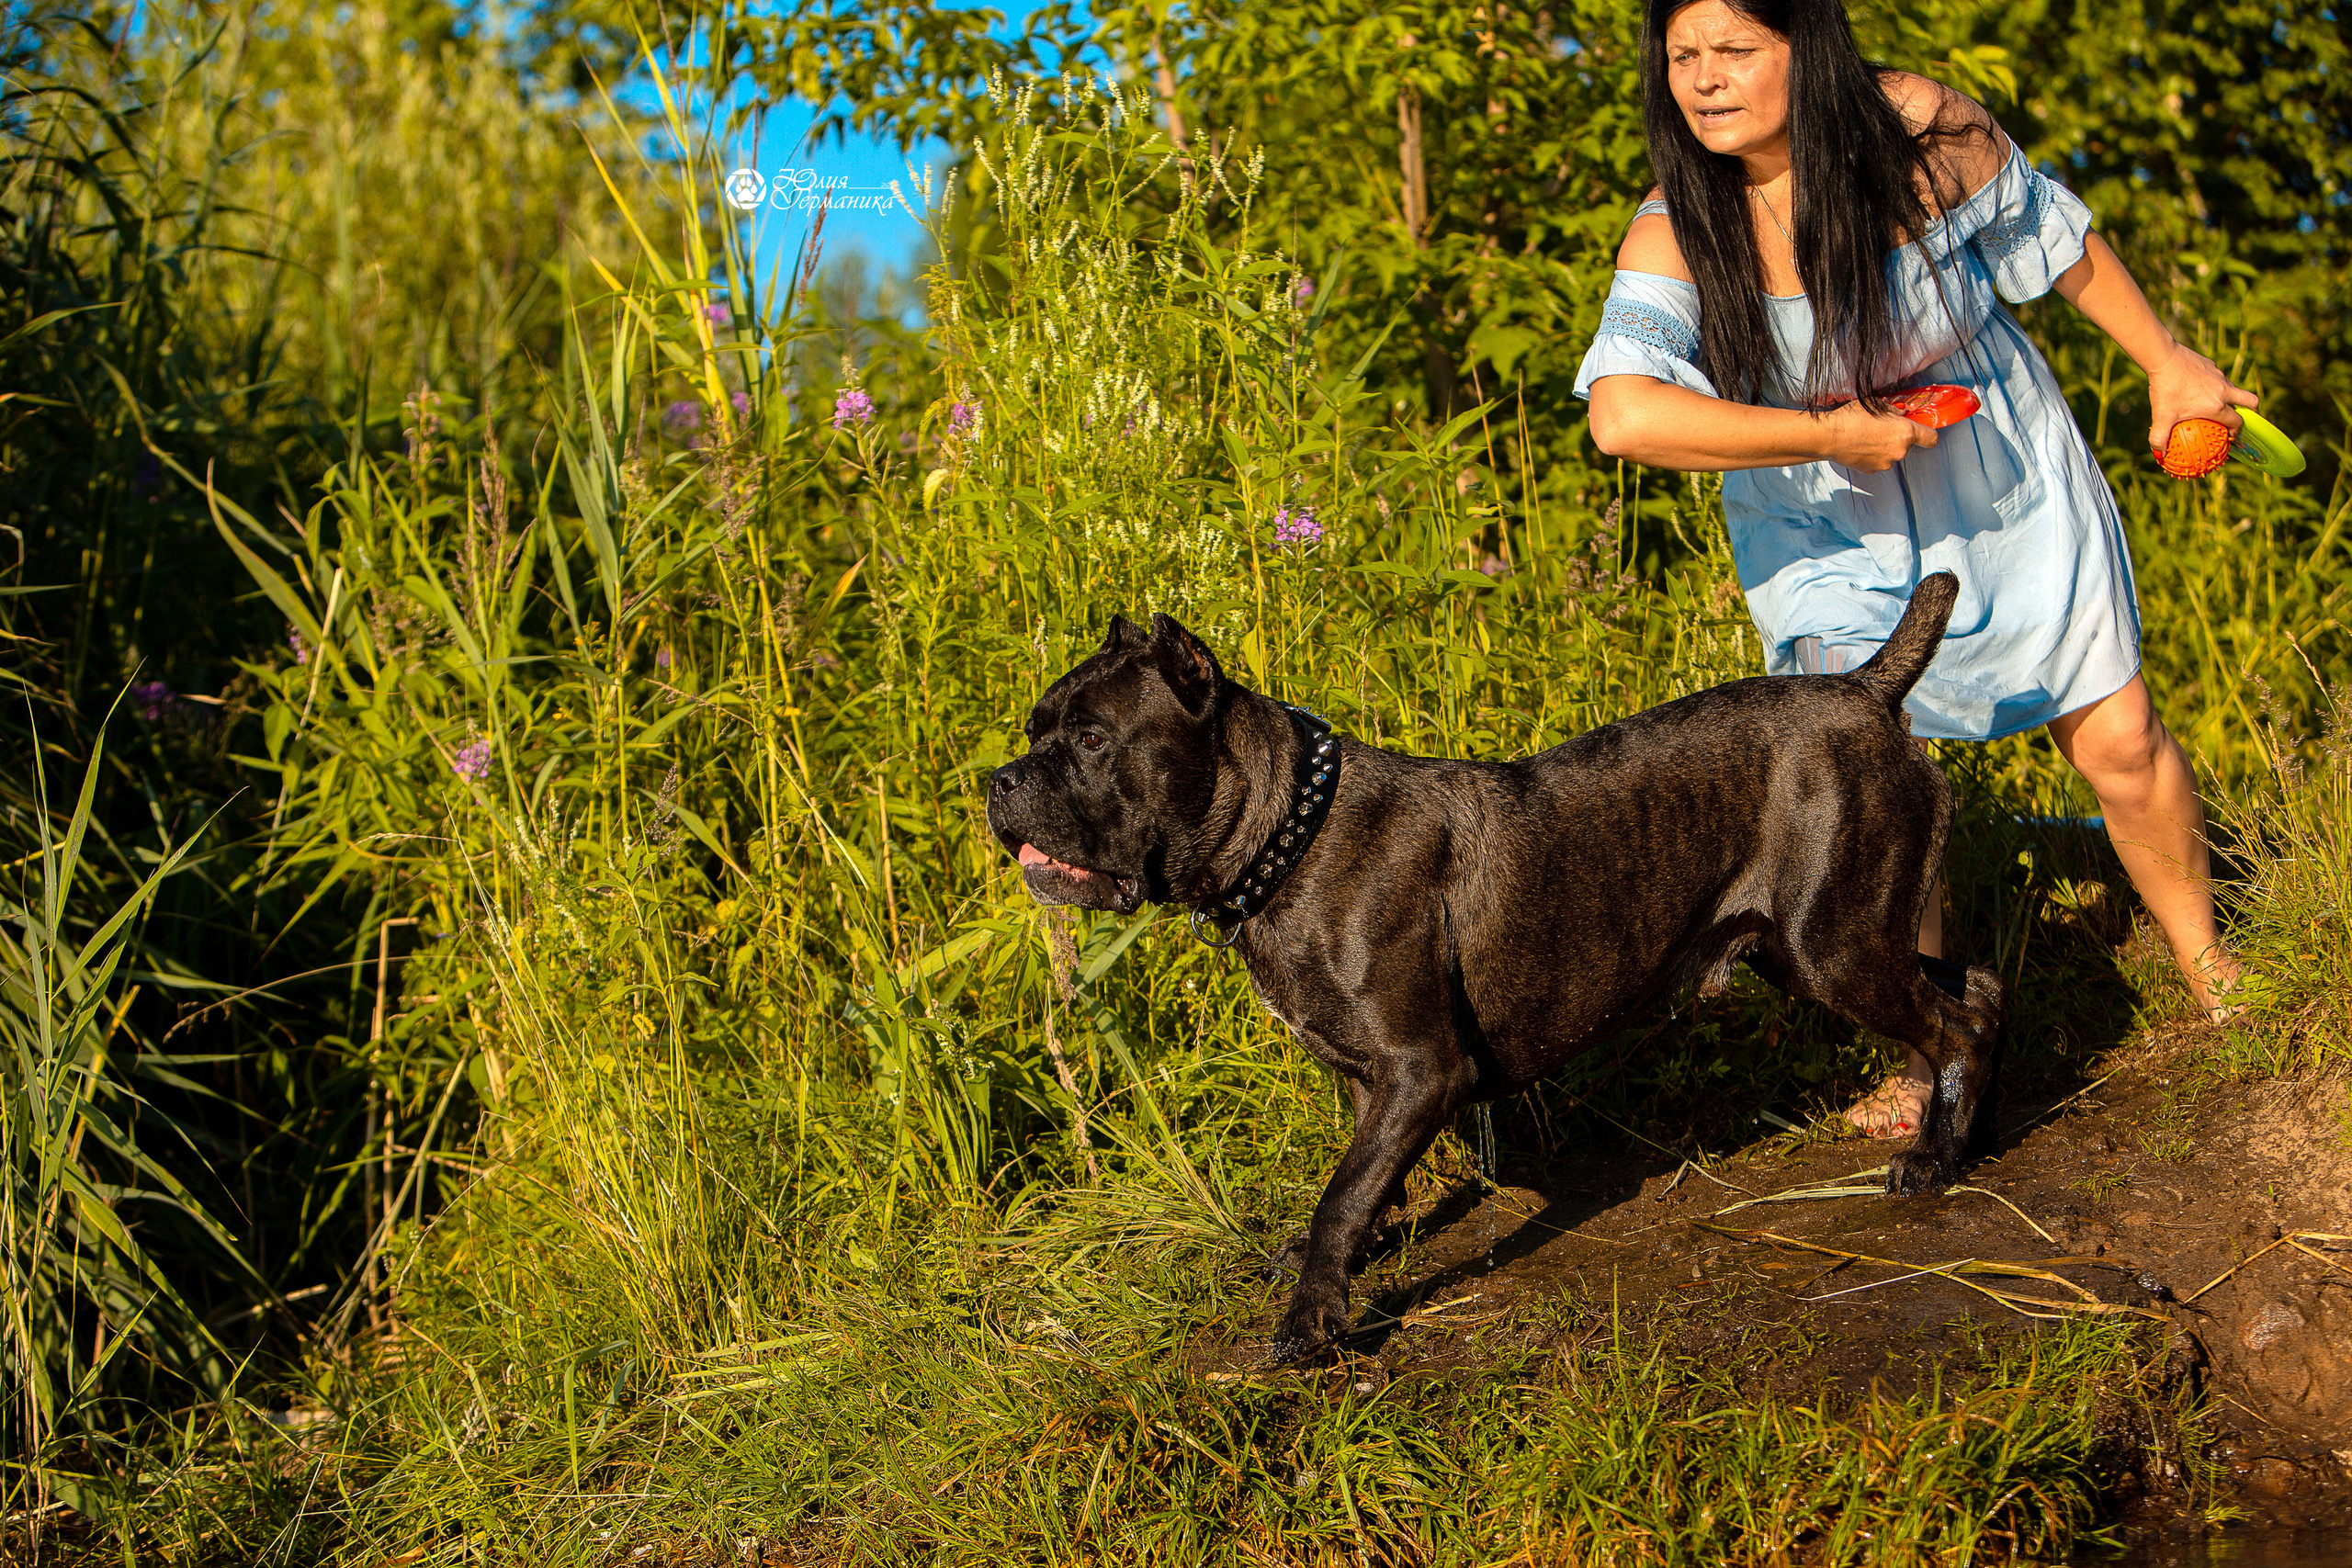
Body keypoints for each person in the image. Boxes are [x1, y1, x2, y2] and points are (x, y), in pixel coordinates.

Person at [1576, 0, 2245, 1137]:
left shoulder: (1921, 136)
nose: (1704, 79)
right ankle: (1928, 1049)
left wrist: (2166, 362)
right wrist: (1830, 433)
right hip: (1819, 511)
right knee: (1869, 769)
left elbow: (2055, 242)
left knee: (2117, 738)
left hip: (1995, 465)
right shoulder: (1678, 226)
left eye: (1734, 50)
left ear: (1806, 47)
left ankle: (2211, 970)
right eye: (1682, 56)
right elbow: (1623, 417)